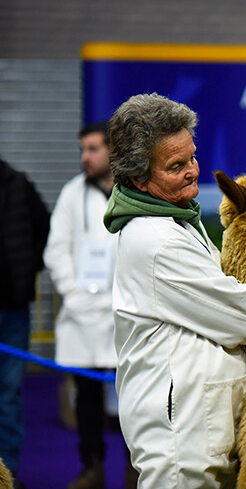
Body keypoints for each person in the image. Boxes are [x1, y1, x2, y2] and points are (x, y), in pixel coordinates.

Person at [102, 93, 246, 488]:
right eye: (175, 166)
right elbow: (238, 317)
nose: (191, 171)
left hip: (207, 426)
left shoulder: (180, 221)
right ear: (138, 178)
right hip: (184, 436)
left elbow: (232, 287)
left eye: (192, 158)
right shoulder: (155, 240)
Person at [43, 121, 138, 489]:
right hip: (82, 314)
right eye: (82, 149)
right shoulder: (71, 194)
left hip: (127, 314)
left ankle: (136, 470)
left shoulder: (135, 191)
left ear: (113, 152)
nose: (85, 156)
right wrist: (75, 294)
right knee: (86, 397)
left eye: (93, 149)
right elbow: (56, 251)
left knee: (133, 396)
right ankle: (91, 468)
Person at [0, 156, 50, 489]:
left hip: (13, 307)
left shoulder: (18, 183)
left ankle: (8, 472)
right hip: (15, 304)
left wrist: (26, 269)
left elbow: (43, 228)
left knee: (9, 391)